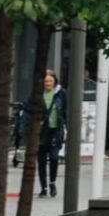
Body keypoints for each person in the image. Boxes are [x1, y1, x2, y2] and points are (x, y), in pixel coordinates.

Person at [38, 69, 68, 197]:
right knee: (41, 161)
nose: (48, 83)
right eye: (46, 81)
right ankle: (44, 187)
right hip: (42, 131)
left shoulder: (61, 93)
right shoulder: (38, 94)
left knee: (54, 157)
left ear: (55, 81)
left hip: (56, 130)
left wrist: (67, 127)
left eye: (50, 81)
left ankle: (52, 182)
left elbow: (65, 111)